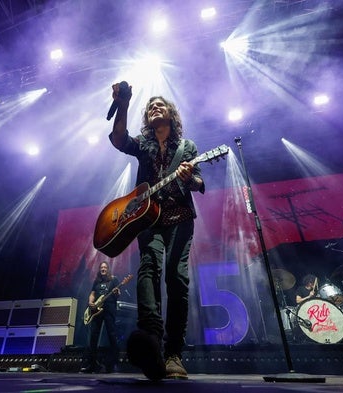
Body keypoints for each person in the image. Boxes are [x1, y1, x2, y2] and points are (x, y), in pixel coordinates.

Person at [108, 83, 205, 380]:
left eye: (159, 105)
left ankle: (174, 353)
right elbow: (118, 138)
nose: (154, 109)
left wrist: (190, 178)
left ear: (171, 114)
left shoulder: (187, 147)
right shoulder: (143, 146)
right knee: (148, 269)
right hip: (148, 220)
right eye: (150, 107)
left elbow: (199, 184)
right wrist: (123, 104)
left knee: (176, 277)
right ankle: (150, 338)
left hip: (180, 216)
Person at [80, 261, 120, 373]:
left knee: (112, 335)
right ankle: (92, 364)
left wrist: (116, 293)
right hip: (96, 311)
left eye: (105, 267)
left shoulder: (114, 279)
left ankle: (113, 364)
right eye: (101, 267)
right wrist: (90, 302)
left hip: (109, 309)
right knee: (93, 336)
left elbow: (118, 294)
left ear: (108, 269)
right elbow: (92, 294)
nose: (103, 269)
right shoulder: (97, 281)